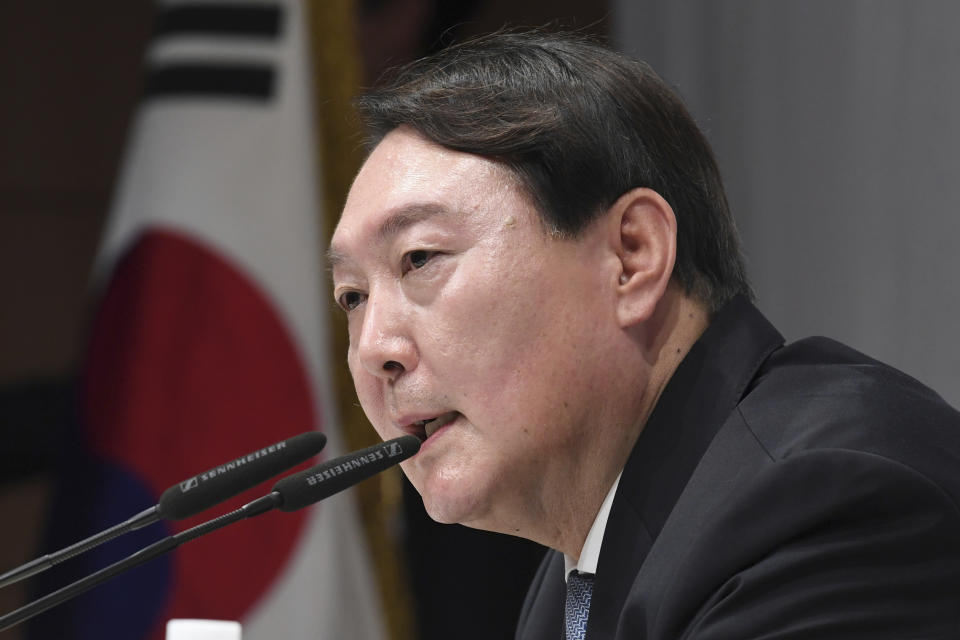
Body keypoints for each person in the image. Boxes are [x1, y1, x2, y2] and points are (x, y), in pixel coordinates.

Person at [328, 30, 960, 639]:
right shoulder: (571, 581)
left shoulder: (825, 506)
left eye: (419, 259)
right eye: (351, 297)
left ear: (631, 256)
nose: (373, 348)